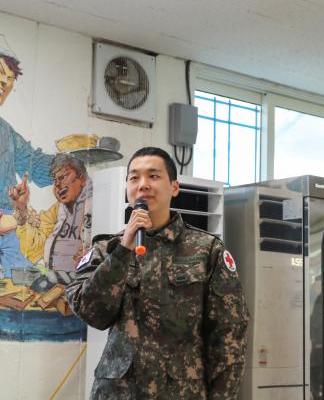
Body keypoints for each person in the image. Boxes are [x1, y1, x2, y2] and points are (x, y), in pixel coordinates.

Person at [66, 147, 249, 399]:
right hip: (118, 393)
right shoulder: (106, 248)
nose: (143, 185)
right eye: (134, 178)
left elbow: (228, 336)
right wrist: (122, 250)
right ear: (127, 188)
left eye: (153, 176)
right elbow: (91, 312)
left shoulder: (207, 250)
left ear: (174, 187)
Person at [0, 52, 54, 278]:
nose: (4, 83)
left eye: (9, 81)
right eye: (0, 74)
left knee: (31, 284)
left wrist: (69, 162)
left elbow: (35, 164)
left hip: (8, 231)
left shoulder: (5, 132)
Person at [10, 153, 92, 271]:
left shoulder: (97, 205)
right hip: (58, 284)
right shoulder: (57, 209)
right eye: (55, 180)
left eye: (63, 177)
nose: (57, 184)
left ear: (82, 179)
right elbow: (32, 249)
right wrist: (21, 207)